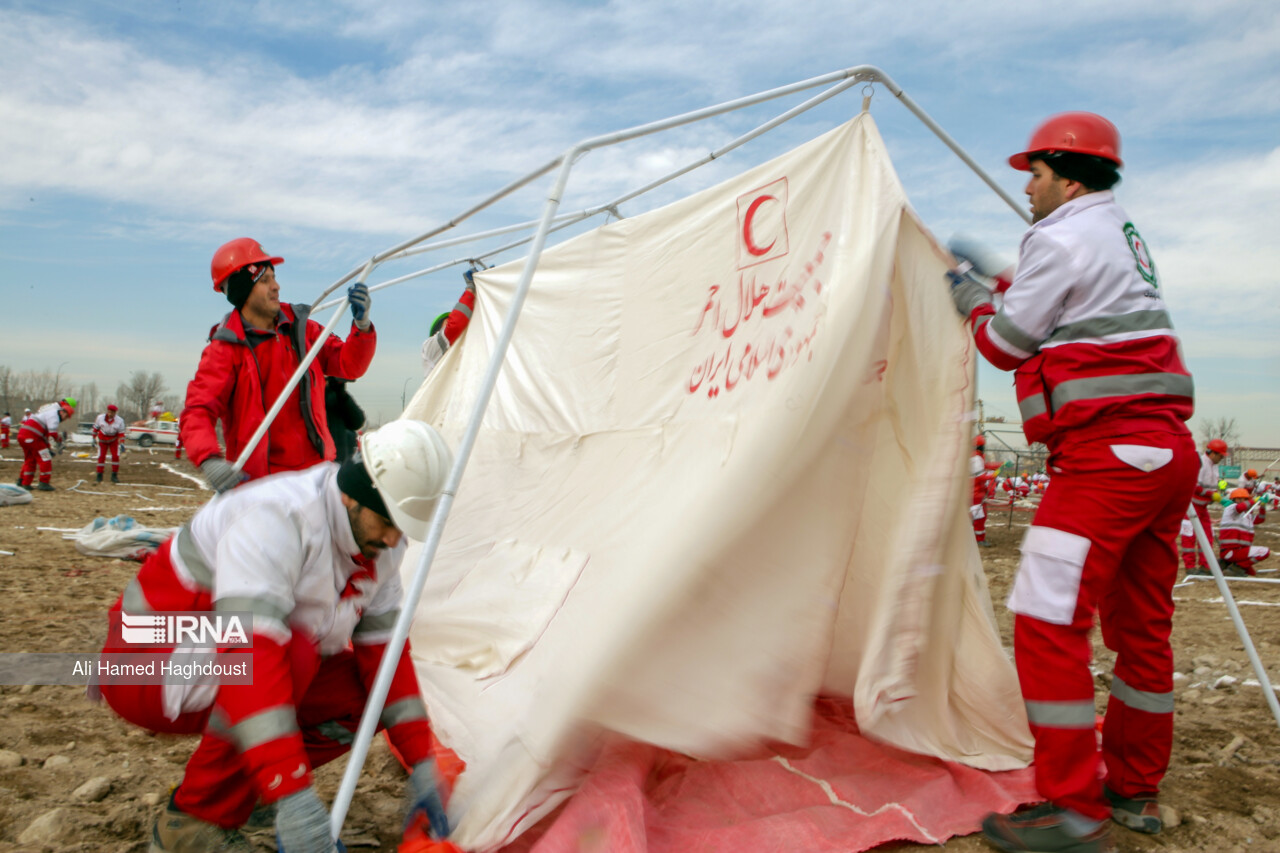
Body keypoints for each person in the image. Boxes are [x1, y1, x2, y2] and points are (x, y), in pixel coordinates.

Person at [948, 111, 1196, 850]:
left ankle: (1070, 804)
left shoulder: (1058, 235)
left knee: (1048, 621)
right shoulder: (1114, 231)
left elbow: (1006, 342)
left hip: (1104, 459)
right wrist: (1000, 276)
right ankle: (1133, 788)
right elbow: (1071, 308)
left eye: (1035, 172)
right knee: (1142, 628)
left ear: (1069, 174)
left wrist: (972, 303)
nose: (1026, 186)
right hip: (1165, 452)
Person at [97, 420, 454, 852]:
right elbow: (252, 653)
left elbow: (386, 655)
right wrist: (293, 790)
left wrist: (421, 759)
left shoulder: (381, 545)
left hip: (220, 662)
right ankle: (191, 824)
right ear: (350, 493)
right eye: (387, 521)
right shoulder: (277, 518)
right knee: (293, 653)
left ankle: (247, 789)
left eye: (404, 526)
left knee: (368, 696)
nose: (395, 538)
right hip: (143, 662)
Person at [181, 238, 377, 494]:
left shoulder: (301, 329)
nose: (276, 287)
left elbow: (349, 365)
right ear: (242, 290)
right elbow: (198, 410)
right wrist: (209, 459)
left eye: (274, 278)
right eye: (265, 281)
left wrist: (362, 326)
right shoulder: (225, 348)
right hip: (261, 486)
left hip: (316, 477)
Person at [1182, 439, 1227, 574]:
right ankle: (1190, 567)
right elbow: (1193, 485)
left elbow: (1211, 485)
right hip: (1191, 507)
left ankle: (1205, 565)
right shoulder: (1200, 464)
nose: (1221, 459)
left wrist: (1216, 494)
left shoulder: (1214, 466)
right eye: (1220, 456)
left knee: (1207, 536)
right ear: (1213, 453)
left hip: (1203, 508)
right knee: (1189, 537)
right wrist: (1210, 494)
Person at [421, 268, 477, 375]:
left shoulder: (456, 351)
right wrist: (470, 289)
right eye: (448, 321)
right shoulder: (429, 347)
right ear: (437, 331)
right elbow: (455, 325)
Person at [16, 398, 76, 491]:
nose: (66, 419)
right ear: (63, 412)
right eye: (67, 416)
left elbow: (44, 434)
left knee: (30, 460)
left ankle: (24, 482)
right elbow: (52, 433)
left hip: (23, 435)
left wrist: (48, 446)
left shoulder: (48, 410)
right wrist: (58, 441)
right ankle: (44, 483)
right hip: (33, 437)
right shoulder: (54, 416)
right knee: (45, 458)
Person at [1217, 488, 1270, 577]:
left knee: (1251, 573)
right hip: (1232, 551)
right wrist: (1254, 500)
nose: (1247, 501)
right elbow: (1240, 507)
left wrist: (1263, 506)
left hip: (1238, 551)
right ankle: (1237, 567)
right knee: (1264, 551)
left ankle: (1232, 564)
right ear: (1237, 499)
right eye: (1245, 499)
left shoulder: (1247, 515)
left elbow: (1260, 519)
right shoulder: (1231, 509)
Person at [325, 377, 366, 465]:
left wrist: (342, 395)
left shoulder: (336, 396)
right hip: (314, 463)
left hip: (338, 461)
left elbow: (357, 422)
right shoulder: (306, 395)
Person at [970, 435, 996, 547]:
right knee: (980, 516)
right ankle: (979, 539)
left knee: (976, 515)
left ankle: (975, 537)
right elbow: (980, 476)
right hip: (976, 492)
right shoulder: (976, 458)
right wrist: (993, 475)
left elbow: (985, 466)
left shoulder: (975, 457)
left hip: (974, 491)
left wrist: (1000, 465)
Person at [94, 403, 128, 484]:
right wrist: (93, 438)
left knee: (115, 457)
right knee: (101, 457)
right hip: (102, 440)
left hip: (113, 440)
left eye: (112, 412)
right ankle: (99, 476)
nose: (110, 414)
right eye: (109, 412)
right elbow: (96, 428)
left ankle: (114, 476)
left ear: (115, 413)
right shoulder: (100, 418)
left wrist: (122, 443)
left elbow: (121, 433)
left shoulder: (120, 421)